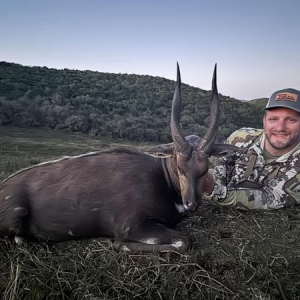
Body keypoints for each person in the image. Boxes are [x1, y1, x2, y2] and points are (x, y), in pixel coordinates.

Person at [203, 88, 300, 210]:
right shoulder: (239, 138)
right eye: (273, 119)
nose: (280, 128)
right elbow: (219, 170)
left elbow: (271, 197)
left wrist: (213, 190)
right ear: (264, 121)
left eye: (291, 120)